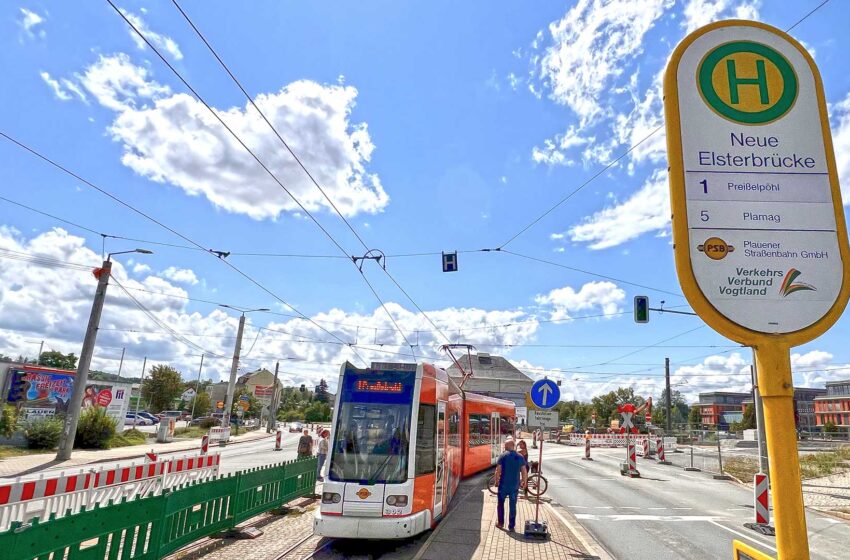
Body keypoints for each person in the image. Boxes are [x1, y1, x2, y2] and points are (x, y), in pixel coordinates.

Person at [493, 437, 527, 531]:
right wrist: (524, 482)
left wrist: (496, 481)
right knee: (513, 506)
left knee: (500, 504)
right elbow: (524, 471)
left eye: (505, 445)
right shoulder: (520, 456)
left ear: (508, 446)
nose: (504, 446)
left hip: (503, 485)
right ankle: (511, 526)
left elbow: (498, 470)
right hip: (514, 486)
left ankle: (500, 523)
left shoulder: (503, 456)